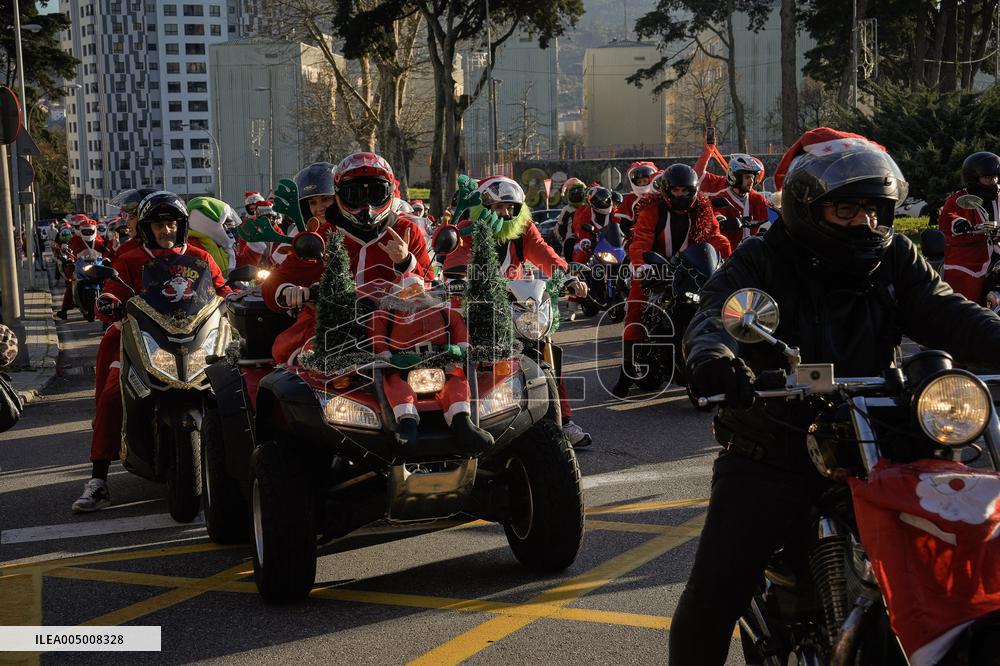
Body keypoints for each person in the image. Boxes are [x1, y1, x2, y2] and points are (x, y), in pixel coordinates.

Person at [671, 127, 1000, 665]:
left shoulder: (894, 256)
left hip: (880, 430)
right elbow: (716, 310)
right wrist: (714, 355)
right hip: (776, 439)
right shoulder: (765, 255)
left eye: (874, 210)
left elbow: (947, 311)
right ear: (807, 207)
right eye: (846, 210)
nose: (864, 223)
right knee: (716, 591)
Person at [72, 192, 231, 513]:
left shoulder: (201, 257)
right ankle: (99, 480)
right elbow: (113, 292)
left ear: (182, 225)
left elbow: (221, 288)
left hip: (194, 339)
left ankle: (238, 466)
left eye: (172, 223)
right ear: (147, 228)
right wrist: (109, 302)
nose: (166, 230)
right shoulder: (129, 258)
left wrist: (238, 294)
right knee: (112, 394)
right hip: (142, 339)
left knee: (232, 388)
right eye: (159, 224)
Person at [443, 175, 594, 448]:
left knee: (546, 346)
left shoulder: (522, 229)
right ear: (485, 206)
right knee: (463, 357)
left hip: (518, 307)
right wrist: (461, 281)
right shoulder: (467, 230)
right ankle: (468, 416)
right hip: (475, 310)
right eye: (500, 207)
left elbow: (544, 252)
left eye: (511, 208)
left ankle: (565, 421)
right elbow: (456, 261)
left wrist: (567, 276)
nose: (506, 213)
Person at [263, 152, 432, 365]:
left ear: (389, 192)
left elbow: (430, 286)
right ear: (341, 195)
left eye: (375, 193)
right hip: (335, 326)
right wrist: (288, 291)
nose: (366, 205)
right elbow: (272, 285)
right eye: (355, 194)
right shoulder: (323, 235)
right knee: (291, 356)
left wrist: (405, 260)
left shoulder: (407, 230)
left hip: (398, 326)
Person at [612, 163, 731, 398]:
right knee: (635, 310)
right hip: (657, 268)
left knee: (721, 309)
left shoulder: (703, 210)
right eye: (675, 191)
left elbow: (715, 238)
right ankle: (626, 370)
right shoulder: (651, 210)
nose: (680, 195)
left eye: (685, 191)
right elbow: (640, 241)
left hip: (692, 271)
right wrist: (642, 266)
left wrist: (730, 261)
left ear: (693, 191)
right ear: (666, 190)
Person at [371, 273, 493, 455]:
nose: (416, 294)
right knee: (396, 385)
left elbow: (459, 328)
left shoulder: (444, 311)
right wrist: (388, 357)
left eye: (419, 289)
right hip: (404, 366)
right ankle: (406, 422)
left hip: (442, 363)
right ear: (396, 295)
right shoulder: (385, 316)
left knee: (457, 381)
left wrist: (460, 348)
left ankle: (462, 421)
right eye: (409, 291)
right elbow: (377, 336)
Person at [939, 151, 1000, 303]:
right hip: (969, 255)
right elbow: (947, 217)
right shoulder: (959, 199)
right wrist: (959, 223)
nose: (993, 181)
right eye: (987, 177)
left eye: (995, 177)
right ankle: (965, 318)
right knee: (966, 291)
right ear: (974, 178)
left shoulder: (999, 196)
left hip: (996, 250)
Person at [694, 146, 769, 250]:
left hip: (753, 253)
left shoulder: (757, 199)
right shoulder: (722, 197)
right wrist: (723, 221)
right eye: (747, 177)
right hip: (729, 255)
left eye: (753, 177)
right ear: (735, 177)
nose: (751, 181)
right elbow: (716, 215)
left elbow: (769, 216)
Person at [186, 196, 241, 276]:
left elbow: (241, 263)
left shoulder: (219, 243)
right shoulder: (191, 247)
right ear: (208, 224)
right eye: (224, 224)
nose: (227, 228)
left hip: (227, 287)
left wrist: (254, 245)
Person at [571, 185, 616, 264]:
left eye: (606, 199)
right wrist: (585, 240)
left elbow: (621, 222)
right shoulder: (586, 212)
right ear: (593, 203)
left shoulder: (614, 211)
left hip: (613, 242)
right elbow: (582, 226)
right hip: (594, 242)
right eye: (600, 200)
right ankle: (578, 273)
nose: (604, 202)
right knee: (581, 254)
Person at [614, 162, 658, 235]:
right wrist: (632, 235)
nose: (643, 184)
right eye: (639, 182)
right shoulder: (630, 199)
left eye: (645, 181)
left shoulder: (658, 196)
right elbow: (624, 225)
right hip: (637, 236)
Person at [554, 177, 587, 262]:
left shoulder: (587, 207)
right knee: (571, 264)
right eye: (574, 193)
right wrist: (564, 240)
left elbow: (559, 227)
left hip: (586, 239)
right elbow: (560, 227)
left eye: (579, 192)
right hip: (572, 240)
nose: (577, 195)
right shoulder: (567, 209)